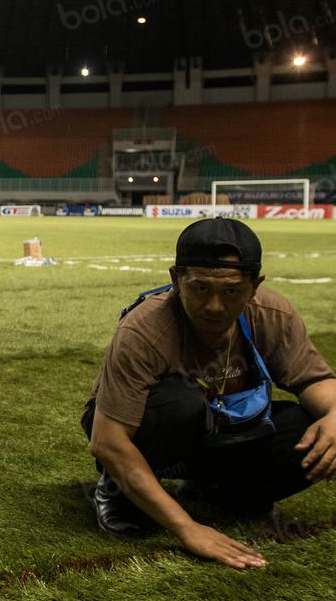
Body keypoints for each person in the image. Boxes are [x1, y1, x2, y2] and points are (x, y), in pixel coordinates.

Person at [84, 217, 336, 568]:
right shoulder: (145, 329)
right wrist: (187, 528)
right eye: (200, 288)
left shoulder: (272, 313)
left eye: (232, 291)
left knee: (306, 423)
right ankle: (115, 489)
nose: (215, 307)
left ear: (255, 286)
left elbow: (314, 383)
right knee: (181, 402)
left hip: (219, 425)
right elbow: (108, 440)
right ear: (176, 280)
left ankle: (219, 490)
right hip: (151, 425)